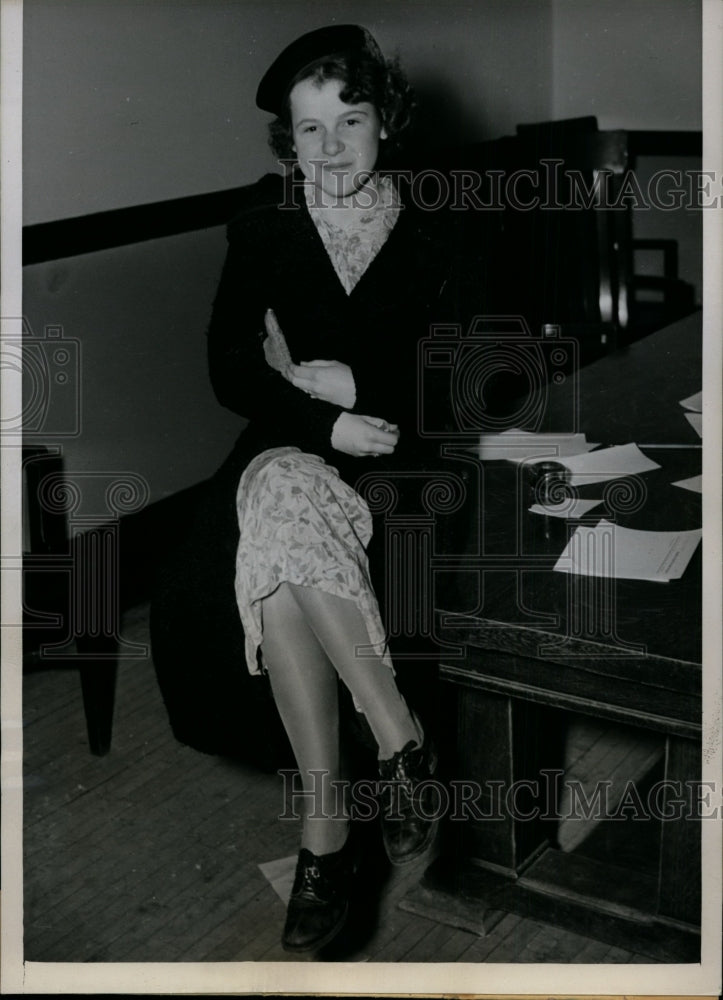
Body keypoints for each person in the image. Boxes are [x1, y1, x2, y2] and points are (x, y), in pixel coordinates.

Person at [180, 24, 474, 954]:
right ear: (288, 142)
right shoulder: (260, 230)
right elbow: (231, 368)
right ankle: (398, 738)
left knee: (274, 533)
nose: (331, 147)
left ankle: (325, 841)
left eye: (349, 120)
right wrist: (320, 423)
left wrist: (361, 392)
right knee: (279, 496)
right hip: (293, 450)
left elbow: (474, 369)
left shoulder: (437, 230)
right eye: (309, 130)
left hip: (402, 455)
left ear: (385, 122)